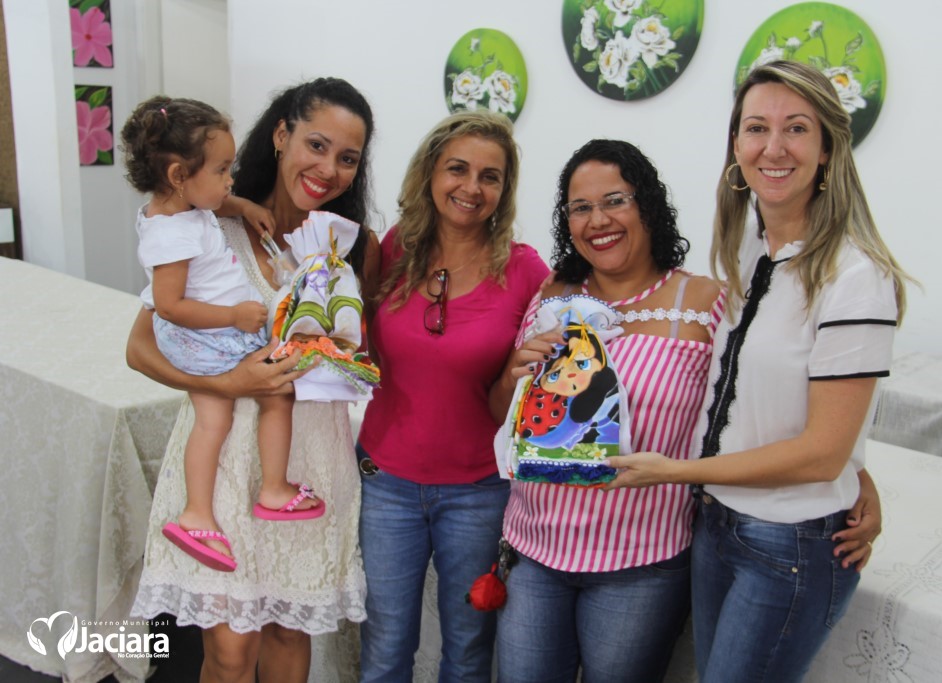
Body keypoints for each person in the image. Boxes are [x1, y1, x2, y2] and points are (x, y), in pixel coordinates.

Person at [606, 60, 912, 682]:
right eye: (756, 128)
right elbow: (768, 403)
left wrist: (677, 471)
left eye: (796, 128)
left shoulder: (857, 277)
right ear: (736, 146)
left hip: (789, 542)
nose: (773, 148)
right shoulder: (750, 244)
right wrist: (856, 469)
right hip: (718, 524)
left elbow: (821, 454)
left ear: (827, 149)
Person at [128, 77, 378, 683]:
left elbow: (353, 345)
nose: (329, 169)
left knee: (289, 632)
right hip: (222, 459)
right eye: (316, 145)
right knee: (231, 652)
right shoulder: (208, 221)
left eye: (348, 158)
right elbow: (139, 349)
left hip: (308, 456)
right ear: (281, 135)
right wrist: (229, 385)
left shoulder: (352, 247)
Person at [490, 139, 723, 683]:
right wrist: (511, 375)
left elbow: (751, 409)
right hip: (533, 552)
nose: (598, 220)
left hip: (640, 564)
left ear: (648, 205)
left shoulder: (703, 303)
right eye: (580, 207)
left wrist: (852, 475)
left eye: (615, 200)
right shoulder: (552, 295)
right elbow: (505, 414)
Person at [355, 109, 549, 683]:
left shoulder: (526, 271)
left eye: (490, 176)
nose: (471, 187)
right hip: (385, 482)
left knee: (467, 649)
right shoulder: (395, 249)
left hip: (479, 491)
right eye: (457, 169)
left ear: (505, 190)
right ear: (430, 173)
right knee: (385, 643)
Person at [120, 96, 321, 575]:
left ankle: (205, 511)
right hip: (207, 337)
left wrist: (244, 205)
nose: (230, 179)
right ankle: (264, 492)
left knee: (222, 418)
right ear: (179, 176)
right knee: (270, 395)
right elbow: (169, 305)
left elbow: (213, 199)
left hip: (208, 334)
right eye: (222, 170)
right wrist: (233, 315)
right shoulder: (172, 236)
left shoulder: (181, 206)